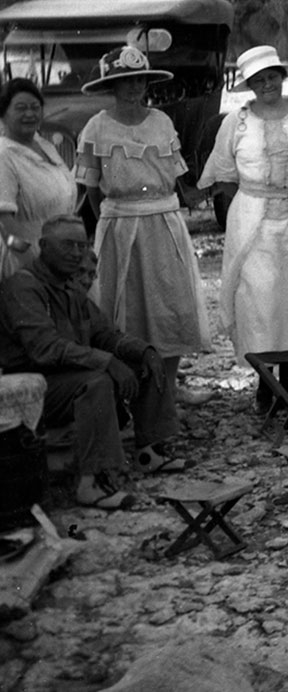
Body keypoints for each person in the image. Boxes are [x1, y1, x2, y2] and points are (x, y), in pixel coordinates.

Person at [0, 215, 188, 508]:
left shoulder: (70, 287)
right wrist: (106, 362)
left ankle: (150, 451)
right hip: (34, 387)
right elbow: (45, 348)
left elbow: (104, 333)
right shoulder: (23, 287)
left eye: (81, 245)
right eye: (67, 246)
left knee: (147, 361)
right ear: (44, 247)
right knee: (95, 383)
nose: (76, 253)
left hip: (67, 375)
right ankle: (91, 482)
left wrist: (141, 350)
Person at [75, 47, 214, 412]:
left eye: (139, 79)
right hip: (119, 222)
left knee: (170, 303)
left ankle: (166, 387)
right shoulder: (97, 126)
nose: (133, 87)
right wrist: (109, 221)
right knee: (123, 306)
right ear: (112, 86)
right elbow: (91, 187)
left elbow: (177, 176)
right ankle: (129, 391)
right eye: (124, 81)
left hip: (161, 219)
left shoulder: (161, 123)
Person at [197, 46, 288, 412]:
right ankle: (265, 380)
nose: (267, 84)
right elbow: (223, 177)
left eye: (272, 76)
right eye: (259, 80)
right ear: (249, 84)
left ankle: (287, 384)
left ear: (282, 77)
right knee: (259, 298)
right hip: (252, 218)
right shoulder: (236, 122)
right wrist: (237, 218)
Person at [0, 78, 76, 283]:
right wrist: (33, 265)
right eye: (21, 108)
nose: (30, 114)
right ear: (4, 113)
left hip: (60, 258)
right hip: (28, 264)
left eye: (35, 107)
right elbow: (5, 226)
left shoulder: (45, 146)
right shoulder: (3, 155)